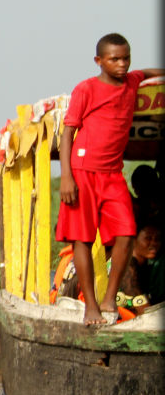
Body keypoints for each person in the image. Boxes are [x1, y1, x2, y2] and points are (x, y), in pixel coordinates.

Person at [57, 33, 165, 325]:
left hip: (113, 174)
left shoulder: (132, 81)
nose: (122, 64)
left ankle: (110, 298)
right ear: (99, 61)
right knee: (83, 238)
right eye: (114, 59)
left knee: (127, 232)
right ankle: (91, 306)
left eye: (126, 58)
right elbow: (68, 133)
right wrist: (66, 176)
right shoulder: (87, 89)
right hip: (83, 171)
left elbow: (150, 72)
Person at [116, 223, 164, 311]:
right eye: (148, 238)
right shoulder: (127, 265)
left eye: (157, 239)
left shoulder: (146, 266)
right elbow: (142, 308)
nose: (154, 243)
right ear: (134, 240)